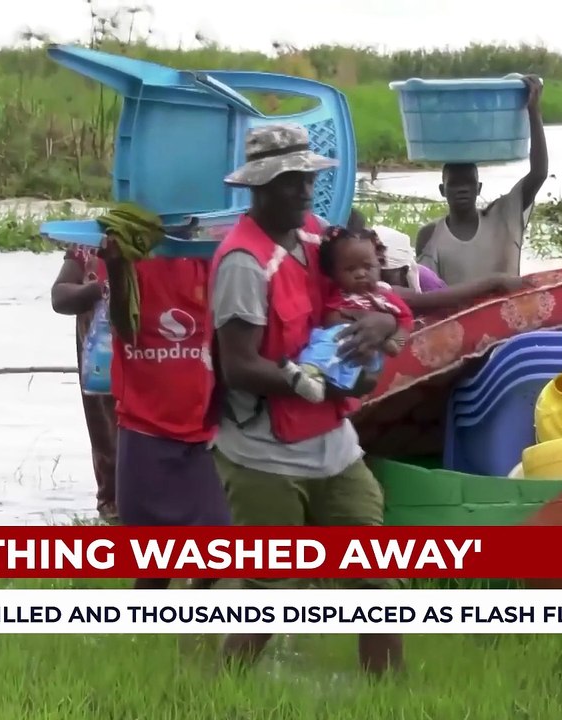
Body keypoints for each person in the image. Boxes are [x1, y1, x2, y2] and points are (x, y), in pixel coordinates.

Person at [210, 123, 410, 676]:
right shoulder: (243, 262)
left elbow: (374, 292)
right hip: (264, 454)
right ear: (259, 187)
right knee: (269, 592)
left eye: (306, 178)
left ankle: (392, 702)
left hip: (332, 445)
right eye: (289, 181)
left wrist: (383, 320)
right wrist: (304, 382)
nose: (304, 190)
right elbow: (238, 365)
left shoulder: (317, 239)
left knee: (378, 583)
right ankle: (216, 695)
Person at [96, 202, 232, 591]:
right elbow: (124, 325)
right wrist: (118, 266)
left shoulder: (212, 257)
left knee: (217, 543)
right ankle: (147, 621)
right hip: (145, 425)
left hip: (203, 427)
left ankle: (192, 603)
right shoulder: (127, 256)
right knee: (153, 558)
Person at [415, 74, 549, 286]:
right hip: (458, 309)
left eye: (468, 183)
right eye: (454, 184)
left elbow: (539, 173)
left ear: (478, 187)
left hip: (507, 307)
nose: (462, 189)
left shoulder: (501, 217)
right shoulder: (430, 235)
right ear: (442, 190)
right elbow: (428, 289)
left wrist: (533, 110)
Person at [284, 225, 413, 402]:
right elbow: (330, 318)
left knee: (334, 344)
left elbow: (405, 318)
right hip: (345, 345)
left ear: (379, 263)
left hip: (372, 352)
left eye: (368, 266)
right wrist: (353, 323)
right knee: (325, 337)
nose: (360, 274)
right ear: (333, 274)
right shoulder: (339, 296)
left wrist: (396, 340)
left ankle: (314, 374)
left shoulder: (386, 297)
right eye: (350, 269)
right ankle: (312, 373)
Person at [50, 246, 118, 524]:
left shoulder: (179, 242)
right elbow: (59, 297)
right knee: (108, 441)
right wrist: (99, 289)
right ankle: (113, 510)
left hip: (160, 361)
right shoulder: (87, 245)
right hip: (102, 367)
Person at [371, 226, 525, 318]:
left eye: (384, 274)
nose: (376, 278)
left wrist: (495, 281)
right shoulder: (370, 285)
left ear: (404, 270)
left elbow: (445, 299)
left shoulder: (424, 281)